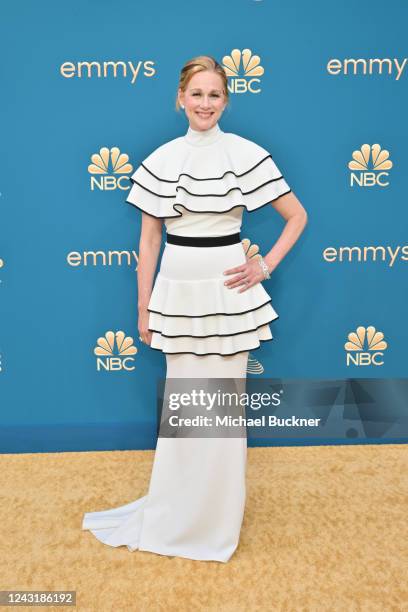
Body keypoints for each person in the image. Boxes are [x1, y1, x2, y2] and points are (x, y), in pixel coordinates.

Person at [82, 55, 307, 563]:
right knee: (185, 414)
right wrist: (144, 308)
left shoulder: (246, 153)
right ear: (180, 99)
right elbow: (149, 241)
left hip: (229, 292)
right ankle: (177, 515)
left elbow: (296, 216)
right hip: (178, 292)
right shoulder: (162, 158)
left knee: (223, 414)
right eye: (197, 94)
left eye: (215, 95)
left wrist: (263, 266)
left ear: (226, 100)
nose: (205, 104)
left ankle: (216, 524)